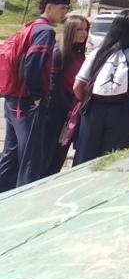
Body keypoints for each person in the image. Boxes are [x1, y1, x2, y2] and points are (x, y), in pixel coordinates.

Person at [0, 0, 69, 191]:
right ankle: (26, 199)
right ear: (49, 8)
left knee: (11, 152)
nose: (64, 13)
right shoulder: (45, 31)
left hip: (13, 98)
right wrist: (37, 96)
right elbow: (33, 65)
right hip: (27, 100)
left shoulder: (29, 27)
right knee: (31, 155)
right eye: (62, 8)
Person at [73, 10, 129, 164]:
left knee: (85, 155)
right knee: (112, 157)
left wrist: (87, 100)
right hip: (123, 109)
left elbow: (78, 86)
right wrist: (126, 92)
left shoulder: (98, 52)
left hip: (94, 108)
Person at [40, 13, 89, 177]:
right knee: (48, 153)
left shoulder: (80, 53)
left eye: (85, 29)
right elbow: (53, 86)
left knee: (60, 153)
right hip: (56, 110)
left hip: (73, 108)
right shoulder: (59, 53)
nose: (84, 33)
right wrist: (68, 109)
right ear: (70, 30)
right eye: (79, 29)